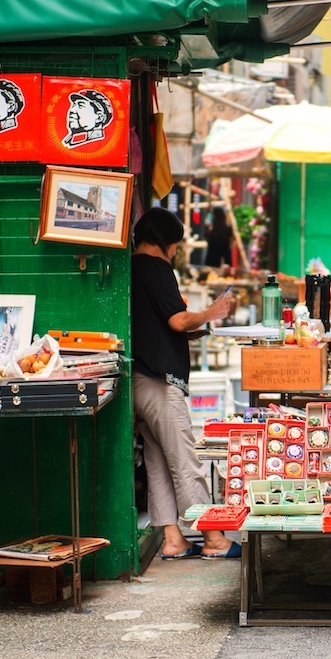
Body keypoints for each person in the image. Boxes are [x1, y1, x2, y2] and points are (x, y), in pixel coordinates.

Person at [132, 207, 239, 561]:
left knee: (159, 464)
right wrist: (213, 311)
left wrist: (199, 325)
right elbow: (177, 320)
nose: (175, 252)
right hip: (161, 385)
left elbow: (161, 325)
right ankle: (213, 538)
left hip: (139, 380)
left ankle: (174, 539)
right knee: (184, 461)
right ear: (165, 241)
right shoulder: (157, 268)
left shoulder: (130, 269)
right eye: (175, 245)